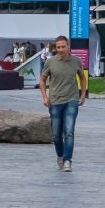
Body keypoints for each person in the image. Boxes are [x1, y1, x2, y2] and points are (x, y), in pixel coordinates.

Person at [38, 36, 87, 172]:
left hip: (71, 100)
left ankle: (67, 160)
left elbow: (82, 78)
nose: (60, 50)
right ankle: (60, 155)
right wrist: (44, 96)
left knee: (69, 131)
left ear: (68, 46)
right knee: (56, 134)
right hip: (55, 101)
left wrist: (83, 94)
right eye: (58, 47)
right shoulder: (50, 62)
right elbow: (42, 80)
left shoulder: (76, 61)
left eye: (63, 47)